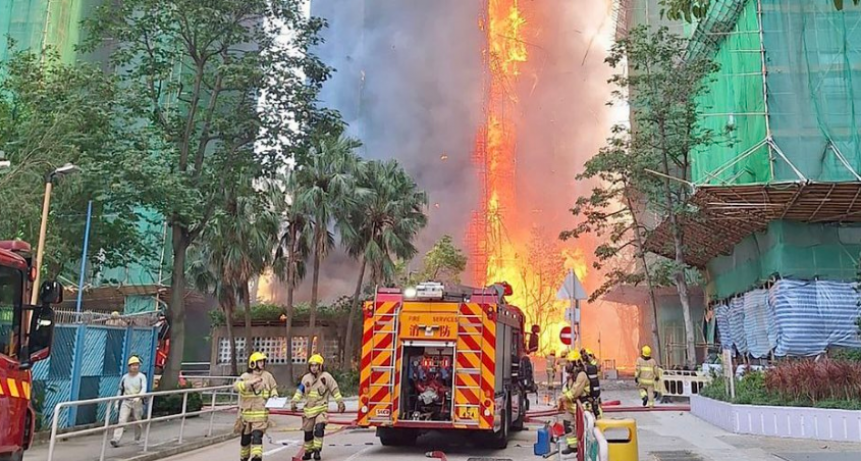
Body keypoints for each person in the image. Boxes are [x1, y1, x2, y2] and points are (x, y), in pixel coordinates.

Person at [291, 354, 345, 461]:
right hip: (309, 411)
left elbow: (335, 390)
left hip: (321, 409)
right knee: (308, 433)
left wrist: (340, 403)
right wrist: (294, 402)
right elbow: (299, 391)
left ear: (321, 366)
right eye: (312, 365)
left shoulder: (326, 377)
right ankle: (308, 451)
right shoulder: (306, 378)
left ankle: (317, 451)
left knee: (319, 428)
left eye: (316, 365)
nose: (314, 368)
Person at [235, 352, 278, 461]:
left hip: (260, 414)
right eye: (259, 361)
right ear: (253, 363)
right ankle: (244, 458)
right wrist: (250, 382)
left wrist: (274, 394)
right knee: (245, 440)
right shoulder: (245, 376)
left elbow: (273, 387)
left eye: (263, 361)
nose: (262, 363)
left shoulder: (267, 376)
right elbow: (236, 386)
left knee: (257, 436)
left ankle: (256, 457)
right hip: (246, 416)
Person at [111, 356, 148, 447]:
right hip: (126, 401)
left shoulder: (141, 377)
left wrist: (139, 396)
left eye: (137, 365)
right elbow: (120, 390)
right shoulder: (125, 378)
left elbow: (144, 388)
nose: (135, 367)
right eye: (133, 365)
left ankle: (137, 438)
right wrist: (117, 402)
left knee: (137, 421)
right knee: (122, 420)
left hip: (137, 401)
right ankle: (116, 439)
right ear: (129, 366)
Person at [558, 350, 589, 455]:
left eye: (569, 362)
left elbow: (575, 392)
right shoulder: (572, 376)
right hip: (571, 407)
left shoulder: (582, 375)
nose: (567, 365)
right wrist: (562, 398)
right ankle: (573, 446)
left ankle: (583, 450)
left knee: (581, 430)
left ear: (576, 363)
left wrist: (564, 398)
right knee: (567, 423)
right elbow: (567, 389)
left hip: (581, 407)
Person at [581, 348, 602, 419]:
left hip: (591, 390)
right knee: (595, 405)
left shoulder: (587, 367)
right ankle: (598, 418)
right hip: (594, 389)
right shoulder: (592, 366)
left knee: (593, 405)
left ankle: (596, 419)